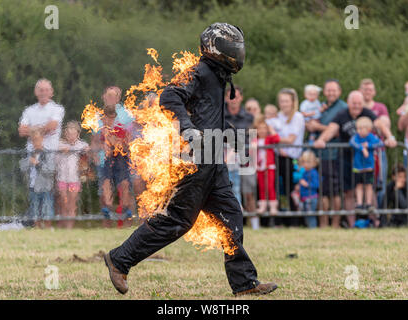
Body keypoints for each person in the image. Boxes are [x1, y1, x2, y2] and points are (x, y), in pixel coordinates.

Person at [104, 23, 277, 296]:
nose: (237, 53)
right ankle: (119, 259)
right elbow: (169, 96)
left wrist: (233, 137)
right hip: (194, 160)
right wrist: (186, 127)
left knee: (230, 218)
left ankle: (244, 283)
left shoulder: (218, 76)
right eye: (232, 47)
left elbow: (209, 119)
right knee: (177, 221)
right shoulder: (199, 71)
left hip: (213, 160)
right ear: (215, 48)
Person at [314, 91, 397, 228]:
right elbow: (332, 128)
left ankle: (374, 221)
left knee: (370, 189)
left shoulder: (367, 112)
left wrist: (390, 137)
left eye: (359, 103)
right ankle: (352, 224)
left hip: (367, 160)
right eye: (354, 103)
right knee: (349, 191)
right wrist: (321, 140)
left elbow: (380, 124)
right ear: (348, 103)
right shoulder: (342, 114)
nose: (356, 106)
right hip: (347, 159)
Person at [90, 86, 135, 227]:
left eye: (113, 96)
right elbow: (94, 141)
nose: (111, 99)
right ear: (104, 97)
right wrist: (95, 153)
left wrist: (120, 144)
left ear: (118, 98)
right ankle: (107, 224)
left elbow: (131, 140)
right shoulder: (97, 117)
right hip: (105, 159)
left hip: (122, 158)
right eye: (108, 96)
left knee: (125, 188)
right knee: (105, 191)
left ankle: (127, 223)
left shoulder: (126, 115)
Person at [305, 79, 347, 228]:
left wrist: (317, 127)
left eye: (333, 90)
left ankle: (334, 224)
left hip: (334, 154)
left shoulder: (343, 108)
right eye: (328, 90)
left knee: (334, 192)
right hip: (319, 155)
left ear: (339, 91)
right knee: (321, 191)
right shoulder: (321, 106)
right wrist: (310, 125)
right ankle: (323, 224)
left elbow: (337, 131)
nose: (330, 93)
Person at [267, 88, 305, 226]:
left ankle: (294, 221)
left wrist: (276, 138)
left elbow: (290, 139)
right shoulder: (277, 116)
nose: (283, 104)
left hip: (291, 158)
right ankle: (278, 220)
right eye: (281, 101)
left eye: (286, 101)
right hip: (278, 157)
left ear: (293, 102)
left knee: (291, 190)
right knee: (276, 188)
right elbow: (267, 132)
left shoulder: (298, 117)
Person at [359, 78, 391, 209]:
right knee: (361, 183)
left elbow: (386, 125)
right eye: (365, 89)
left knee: (380, 182)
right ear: (360, 91)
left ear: (374, 92)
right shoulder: (357, 107)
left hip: (378, 151)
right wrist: (375, 124)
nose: (367, 92)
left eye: (370, 89)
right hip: (360, 152)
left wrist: (368, 126)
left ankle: (380, 214)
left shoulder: (380, 107)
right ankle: (365, 214)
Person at [224, 86, 257, 215]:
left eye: (236, 96)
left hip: (245, 159)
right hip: (226, 160)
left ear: (241, 98)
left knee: (249, 192)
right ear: (226, 98)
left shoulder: (249, 117)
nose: (233, 99)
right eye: (230, 96)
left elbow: (252, 136)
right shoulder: (219, 115)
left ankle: (254, 224)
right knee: (229, 192)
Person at [349, 117, 383, 226]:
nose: (359, 131)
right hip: (358, 167)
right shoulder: (356, 138)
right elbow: (352, 142)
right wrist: (361, 148)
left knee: (369, 186)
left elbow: (380, 143)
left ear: (368, 129)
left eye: (361, 128)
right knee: (358, 186)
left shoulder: (371, 137)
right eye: (357, 128)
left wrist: (368, 145)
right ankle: (359, 204)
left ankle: (368, 203)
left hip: (369, 167)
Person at [19, 129, 56, 228]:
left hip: (46, 188)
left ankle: (48, 231)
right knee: (35, 213)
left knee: (47, 213)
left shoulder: (48, 153)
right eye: (33, 140)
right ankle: (37, 231)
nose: (35, 142)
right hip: (33, 187)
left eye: (37, 139)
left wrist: (38, 164)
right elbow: (22, 167)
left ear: (42, 139)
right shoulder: (29, 154)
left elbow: (51, 171)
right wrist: (29, 162)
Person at [56, 121, 89, 229]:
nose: (71, 137)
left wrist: (87, 151)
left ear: (78, 134)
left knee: (72, 203)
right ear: (65, 134)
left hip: (74, 179)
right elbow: (55, 157)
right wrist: (62, 150)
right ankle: (62, 225)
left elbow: (88, 152)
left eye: (73, 134)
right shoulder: (60, 144)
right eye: (69, 134)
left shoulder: (82, 145)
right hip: (62, 179)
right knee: (63, 202)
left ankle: (69, 228)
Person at [253, 116, 280, 215]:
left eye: (264, 128)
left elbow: (277, 138)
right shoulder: (255, 140)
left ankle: (273, 207)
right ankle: (263, 206)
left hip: (269, 166)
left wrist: (271, 128)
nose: (262, 131)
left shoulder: (269, 139)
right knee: (261, 186)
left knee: (270, 186)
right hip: (259, 167)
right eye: (260, 128)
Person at [298, 150, 319, 228]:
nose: (305, 164)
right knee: (306, 216)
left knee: (310, 215)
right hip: (304, 197)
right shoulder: (304, 172)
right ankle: (309, 228)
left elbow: (316, 184)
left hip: (311, 197)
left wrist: (307, 184)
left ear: (313, 163)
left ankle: (312, 228)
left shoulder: (313, 172)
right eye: (303, 162)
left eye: (308, 162)